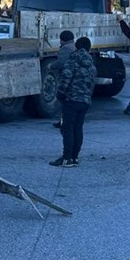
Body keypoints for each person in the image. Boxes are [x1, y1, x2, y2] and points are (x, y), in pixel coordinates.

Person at [51, 36, 96, 167]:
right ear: (89, 48)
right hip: (85, 101)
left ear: (76, 47)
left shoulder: (72, 61)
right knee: (78, 129)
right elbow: (92, 84)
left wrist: (60, 95)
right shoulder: (91, 65)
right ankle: (75, 157)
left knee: (67, 129)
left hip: (71, 100)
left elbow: (65, 80)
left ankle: (66, 158)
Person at [51, 30, 76, 129]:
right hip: (76, 78)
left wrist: (50, 66)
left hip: (68, 78)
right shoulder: (74, 46)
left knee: (65, 101)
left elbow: (61, 63)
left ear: (62, 40)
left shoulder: (66, 49)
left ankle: (64, 122)